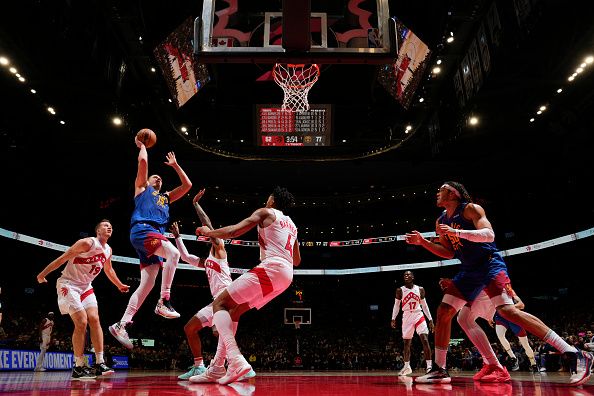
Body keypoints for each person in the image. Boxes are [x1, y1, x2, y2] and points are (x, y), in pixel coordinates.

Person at [406, 181, 593, 386]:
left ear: (453, 193)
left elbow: (489, 235)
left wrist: (456, 232)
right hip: (469, 271)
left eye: (441, 189)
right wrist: (424, 243)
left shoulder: (470, 209)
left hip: (489, 265)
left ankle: (573, 352)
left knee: (508, 311)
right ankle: (440, 370)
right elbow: (449, 253)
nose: (437, 193)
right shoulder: (441, 220)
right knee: (444, 312)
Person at [192, 186, 300, 385]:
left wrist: (209, 232)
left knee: (220, 304)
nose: (266, 199)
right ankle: (217, 367)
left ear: (273, 200)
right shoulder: (293, 225)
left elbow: (235, 230)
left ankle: (235, 360)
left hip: (272, 268)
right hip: (286, 277)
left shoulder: (265, 212)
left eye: (268, 196)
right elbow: (297, 260)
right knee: (234, 311)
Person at [110, 137, 192, 349]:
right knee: (173, 254)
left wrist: (175, 166)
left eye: (160, 179)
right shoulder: (142, 189)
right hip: (143, 230)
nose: (158, 179)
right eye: (155, 177)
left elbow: (187, 185)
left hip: (152, 237)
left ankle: (122, 324)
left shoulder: (165, 198)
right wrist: (143, 146)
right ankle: (164, 300)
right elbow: (143, 164)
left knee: (147, 284)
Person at [173, 189, 256, 381]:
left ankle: (232, 366)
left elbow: (208, 225)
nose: (210, 237)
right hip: (216, 303)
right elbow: (185, 257)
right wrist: (177, 237)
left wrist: (196, 205)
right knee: (190, 328)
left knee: (220, 333)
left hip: (228, 298)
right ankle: (201, 366)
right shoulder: (206, 261)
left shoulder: (219, 251)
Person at [36, 220, 130, 379]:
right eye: (105, 226)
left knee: (94, 318)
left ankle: (100, 363)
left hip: (86, 286)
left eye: (111, 226)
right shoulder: (86, 243)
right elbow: (63, 258)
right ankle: (78, 366)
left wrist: (119, 285)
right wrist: (42, 274)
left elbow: (108, 269)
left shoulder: (108, 250)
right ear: (97, 231)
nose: (109, 227)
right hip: (68, 284)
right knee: (81, 321)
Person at [391, 270, 434, 375]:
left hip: (418, 314)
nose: (406, 275)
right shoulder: (399, 290)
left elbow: (424, 305)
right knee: (406, 343)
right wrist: (393, 318)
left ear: (413, 277)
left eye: (408, 274)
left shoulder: (420, 289)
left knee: (424, 339)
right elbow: (396, 305)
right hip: (406, 316)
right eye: (405, 275)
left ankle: (429, 366)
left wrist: (430, 319)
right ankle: (407, 366)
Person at [490, 290, 538, 372]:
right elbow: (490, 306)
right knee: (500, 335)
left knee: (525, 344)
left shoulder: (510, 291)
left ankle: (533, 363)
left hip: (513, 316)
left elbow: (521, 305)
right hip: (501, 316)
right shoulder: (491, 291)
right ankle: (513, 357)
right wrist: (489, 317)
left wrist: (509, 308)